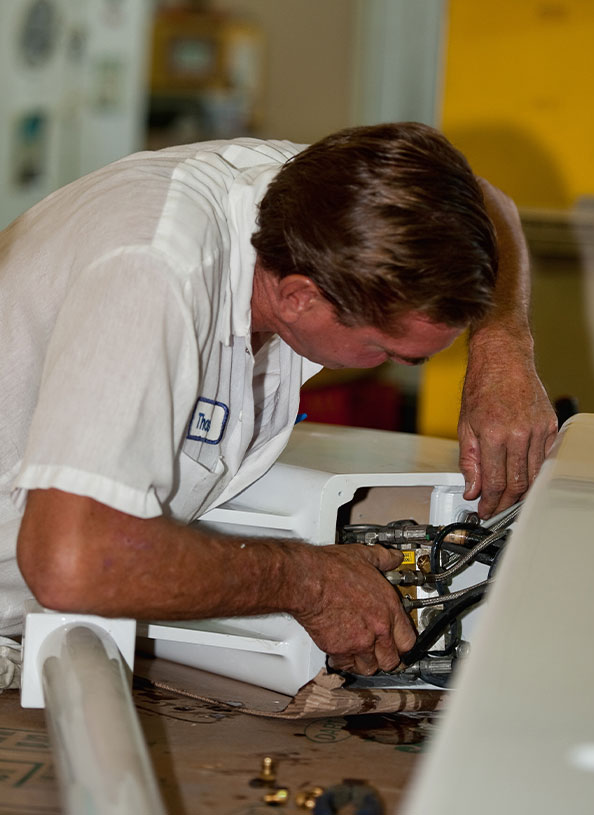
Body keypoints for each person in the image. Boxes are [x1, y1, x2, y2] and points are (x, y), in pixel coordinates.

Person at [0, 122, 557, 680]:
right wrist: (309, 583)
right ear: (298, 298)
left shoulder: (324, 201)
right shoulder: (153, 274)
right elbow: (71, 562)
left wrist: (502, 347)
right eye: (391, 351)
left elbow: (487, 202)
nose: (408, 366)